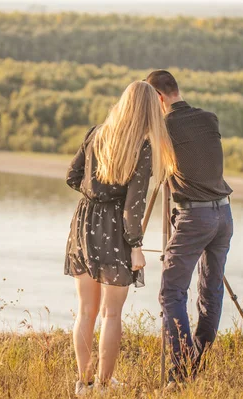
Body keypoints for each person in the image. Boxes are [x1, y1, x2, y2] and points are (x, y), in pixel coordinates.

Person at [64, 81, 178, 396]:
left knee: (85, 309)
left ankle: (83, 384)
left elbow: (72, 177)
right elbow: (134, 208)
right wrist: (137, 247)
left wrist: (94, 198)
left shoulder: (95, 133)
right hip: (115, 230)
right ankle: (102, 384)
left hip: (83, 224)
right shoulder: (141, 148)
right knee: (111, 313)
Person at [146, 70, 234, 386]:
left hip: (194, 218)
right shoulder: (209, 119)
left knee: (171, 293)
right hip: (224, 215)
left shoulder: (164, 128)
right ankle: (196, 358)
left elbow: (152, 167)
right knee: (211, 292)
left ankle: (181, 374)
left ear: (157, 98)